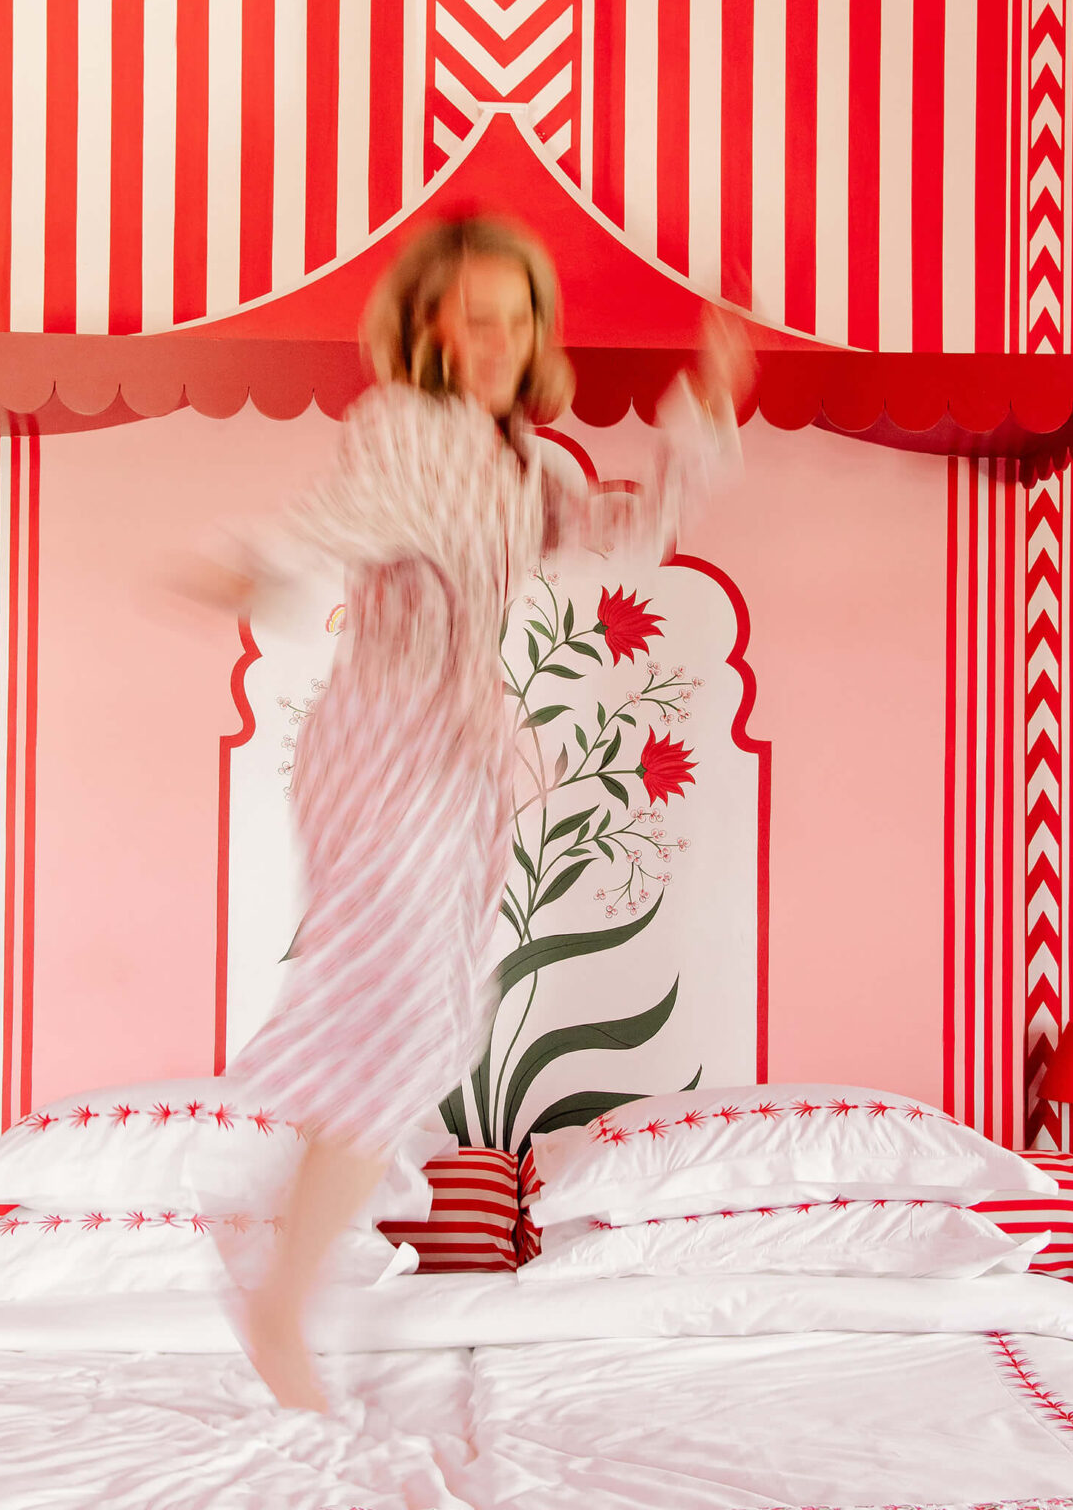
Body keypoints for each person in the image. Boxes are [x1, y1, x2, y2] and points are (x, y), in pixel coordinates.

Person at [180, 213, 751, 1408]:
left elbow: (626, 530)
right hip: (386, 737)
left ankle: (277, 1260)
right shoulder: (409, 428)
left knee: (424, 1030)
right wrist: (257, 565)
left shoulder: (523, 462)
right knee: (390, 1022)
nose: (498, 340)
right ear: (432, 326)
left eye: (517, 318)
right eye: (475, 317)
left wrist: (701, 409)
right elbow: (345, 520)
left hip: (452, 756)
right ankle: (276, 1289)